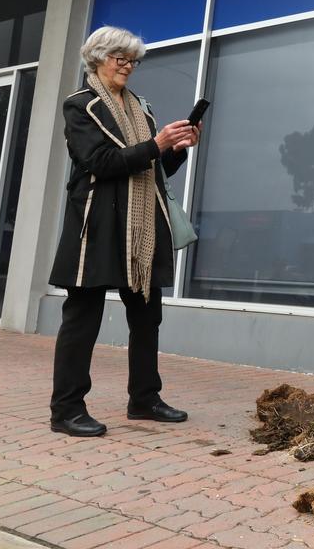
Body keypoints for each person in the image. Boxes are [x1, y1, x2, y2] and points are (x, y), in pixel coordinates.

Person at [48, 26, 200, 437]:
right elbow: (100, 162)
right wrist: (156, 144)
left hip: (141, 228)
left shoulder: (141, 108)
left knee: (147, 315)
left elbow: (154, 172)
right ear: (98, 57)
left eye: (133, 61)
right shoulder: (80, 105)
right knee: (83, 317)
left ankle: (145, 399)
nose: (129, 67)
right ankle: (66, 410)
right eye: (121, 59)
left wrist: (175, 150)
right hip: (98, 225)